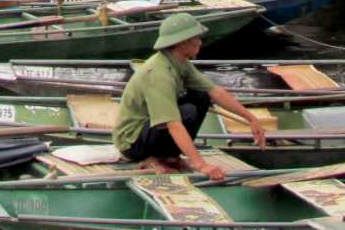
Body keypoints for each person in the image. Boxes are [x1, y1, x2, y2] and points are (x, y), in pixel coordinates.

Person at [113, 13, 265, 179]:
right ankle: (153, 158)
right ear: (182, 43)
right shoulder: (159, 74)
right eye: (196, 38)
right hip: (132, 142)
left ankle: (170, 157)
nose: (200, 42)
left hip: (151, 129)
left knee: (201, 96)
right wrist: (200, 164)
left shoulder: (180, 62)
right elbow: (172, 124)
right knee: (186, 112)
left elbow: (215, 91)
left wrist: (251, 118)